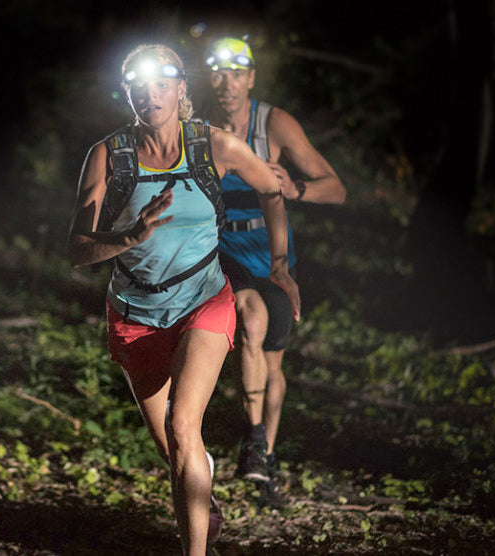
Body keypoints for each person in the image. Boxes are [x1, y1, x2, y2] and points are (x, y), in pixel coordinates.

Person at [66, 43, 300, 555]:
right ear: (126, 92)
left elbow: (271, 188)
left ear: (180, 90)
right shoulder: (109, 155)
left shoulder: (213, 146)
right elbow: (77, 251)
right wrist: (127, 237)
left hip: (204, 301)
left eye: (161, 83)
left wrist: (279, 264)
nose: (151, 94)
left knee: (181, 423)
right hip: (135, 314)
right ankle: (202, 497)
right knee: (176, 449)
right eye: (138, 84)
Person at [201, 36, 346, 507]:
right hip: (224, 250)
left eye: (236, 74)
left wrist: (297, 188)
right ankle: (254, 437)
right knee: (250, 319)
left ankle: (264, 455)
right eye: (217, 74)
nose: (226, 84)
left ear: (251, 78)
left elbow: (337, 190)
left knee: (273, 362)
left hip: (273, 254)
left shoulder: (274, 123)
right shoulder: (197, 125)